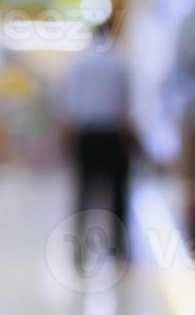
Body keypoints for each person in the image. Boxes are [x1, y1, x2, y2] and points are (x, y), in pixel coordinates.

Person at [58, 19, 136, 256]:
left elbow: (70, 103)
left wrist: (68, 138)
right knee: (117, 191)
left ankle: (79, 244)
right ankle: (118, 245)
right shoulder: (119, 61)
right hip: (112, 134)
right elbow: (125, 104)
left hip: (86, 134)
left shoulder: (79, 63)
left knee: (84, 189)